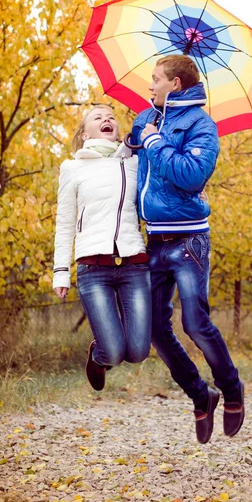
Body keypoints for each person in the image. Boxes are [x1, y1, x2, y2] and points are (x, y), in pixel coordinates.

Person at [131, 55, 245, 444]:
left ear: (175, 84)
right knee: (152, 330)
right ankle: (201, 395)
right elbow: (130, 157)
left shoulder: (202, 125)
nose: (149, 85)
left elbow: (190, 176)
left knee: (194, 323)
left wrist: (153, 141)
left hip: (189, 240)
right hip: (153, 241)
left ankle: (231, 388)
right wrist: (138, 135)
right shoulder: (147, 119)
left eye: (155, 79)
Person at [53, 104, 152, 391]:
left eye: (110, 116)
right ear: (85, 134)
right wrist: (61, 272)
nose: (106, 119)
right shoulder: (73, 168)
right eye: (98, 117)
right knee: (114, 352)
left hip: (134, 264)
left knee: (138, 352)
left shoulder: (134, 162)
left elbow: (160, 187)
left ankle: (108, 349)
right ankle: (99, 356)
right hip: (93, 268)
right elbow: (65, 223)